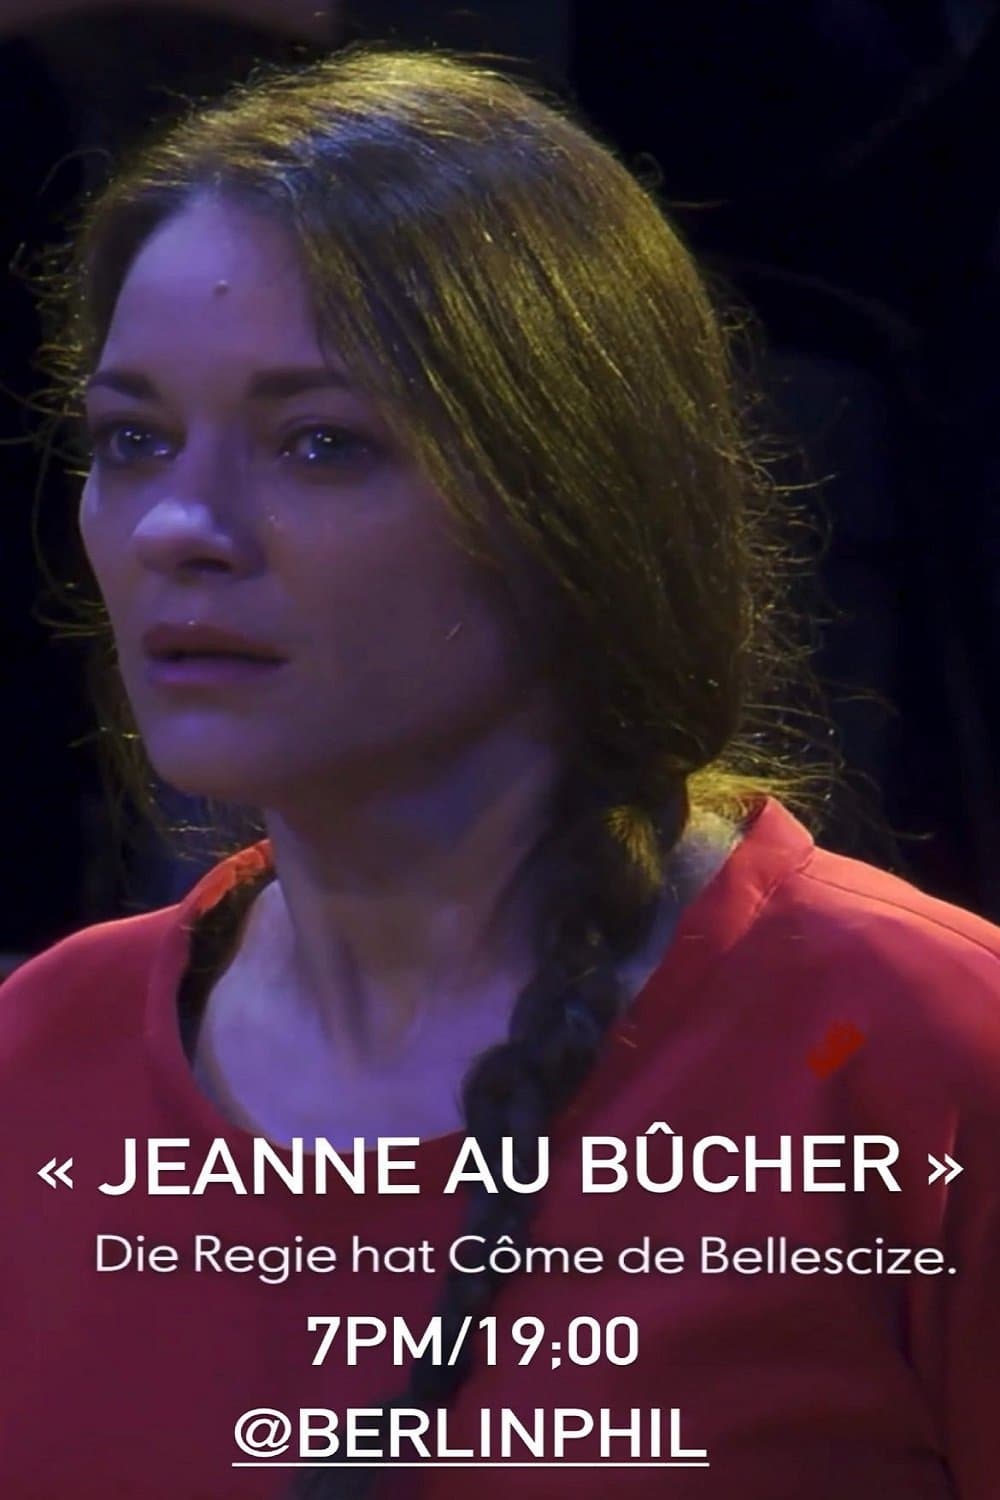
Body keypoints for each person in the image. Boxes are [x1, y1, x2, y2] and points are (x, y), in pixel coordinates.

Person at [2, 41, 998, 1500]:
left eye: (320, 442)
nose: (173, 528)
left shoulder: (921, 1054)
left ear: (571, 502)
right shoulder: (38, 1062)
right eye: (134, 439)